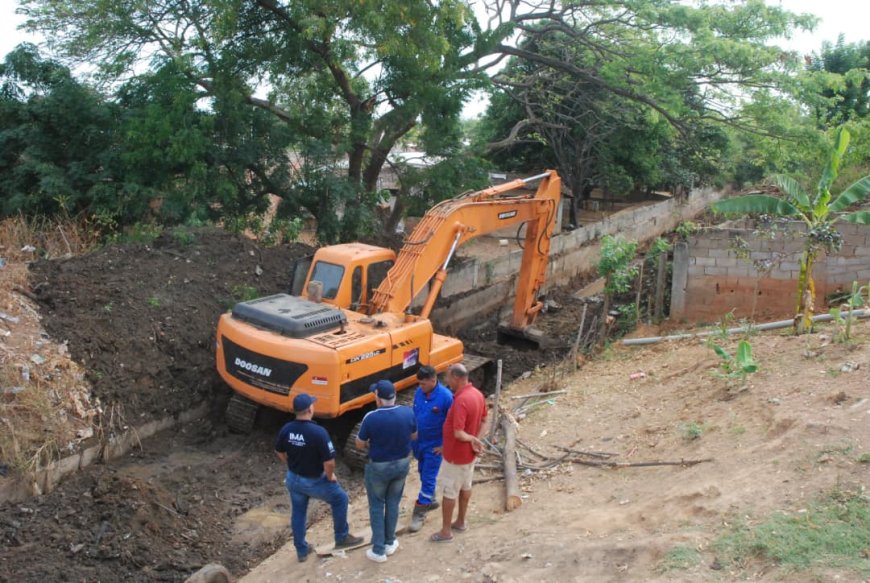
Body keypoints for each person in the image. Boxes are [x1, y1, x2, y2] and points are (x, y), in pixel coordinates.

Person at [275, 393, 364, 562]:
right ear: (310, 409)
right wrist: (330, 476)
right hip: (314, 480)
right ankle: (342, 537)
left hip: (293, 479)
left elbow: (279, 451)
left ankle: (301, 551)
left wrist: (290, 464)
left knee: (298, 513)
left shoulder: (287, 429)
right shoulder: (318, 432)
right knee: (340, 498)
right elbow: (329, 462)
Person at [355, 380, 417, 563]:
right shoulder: (407, 412)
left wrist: (371, 442)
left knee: (376, 505)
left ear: (378, 399)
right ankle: (390, 542)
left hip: (379, 467)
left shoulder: (371, 417)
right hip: (402, 464)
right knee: (392, 503)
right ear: (394, 396)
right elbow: (414, 435)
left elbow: (359, 444)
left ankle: (378, 550)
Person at [430, 363, 489, 543]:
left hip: (457, 456)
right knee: (465, 486)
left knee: (449, 491)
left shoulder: (461, 401)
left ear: (456, 378)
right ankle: (461, 521)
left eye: (448, 377)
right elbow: (485, 418)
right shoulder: (477, 394)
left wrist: (472, 439)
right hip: (469, 455)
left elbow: (458, 433)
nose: (446, 381)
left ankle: (446, 531)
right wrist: (477, 439)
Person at [409, 365, 453, 532]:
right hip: (419, 442)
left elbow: (452, 423)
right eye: (419, 383)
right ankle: (431, 499)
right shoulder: (419, 393)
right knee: (422, 472)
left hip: (434, 446)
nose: (420, 387)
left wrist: (444, 445)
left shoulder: (446, 398)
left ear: (433, 380)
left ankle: (419, 513)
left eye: (423, 384)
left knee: (428, 477)